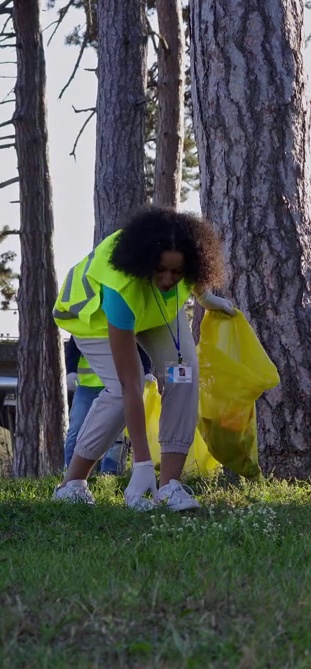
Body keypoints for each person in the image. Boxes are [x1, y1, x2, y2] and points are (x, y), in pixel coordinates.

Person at [52, 207, 235, 510]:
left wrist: (205, 297)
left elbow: (187, 273)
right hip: (96, 318)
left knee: (183, 374)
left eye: (177, 273)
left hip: (155, 313)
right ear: (147, 261)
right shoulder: (121, 286)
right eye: (161, 269)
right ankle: (73, 483)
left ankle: (171, 486)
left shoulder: (183, 262)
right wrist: (142, 464)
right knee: (119, 394)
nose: (168, 280)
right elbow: (130, 384)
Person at [63, 339, 154, 472]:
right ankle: (72, 472)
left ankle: (109, 473)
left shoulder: (121, 321)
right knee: (76, 431)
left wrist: (147, 370)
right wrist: (71, 371)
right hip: (86, 387)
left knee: (115, 435)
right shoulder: (85, 322)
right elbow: (73, 347)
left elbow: (139, 346)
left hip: (116, 387)